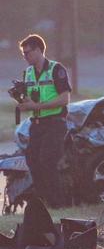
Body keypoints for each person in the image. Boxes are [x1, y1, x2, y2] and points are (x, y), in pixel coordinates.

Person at [17, 34, 71, 208]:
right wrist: (22, 101)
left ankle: (58, 204)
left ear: (39, 50)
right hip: (37, 123)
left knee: (47, 160)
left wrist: (37, 105)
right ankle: (44, 202)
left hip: (55, 122)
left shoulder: (56, 69)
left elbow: (64, 99)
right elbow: (30, 100)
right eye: (23, 54)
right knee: (33, 161)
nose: (25, 56)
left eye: (28, 53)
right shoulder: (29, 72)